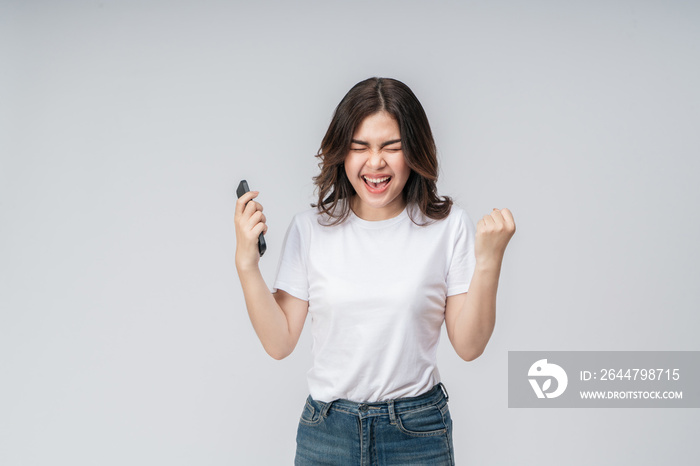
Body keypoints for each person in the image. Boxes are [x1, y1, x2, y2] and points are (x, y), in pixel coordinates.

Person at [234, 77, 515, 465]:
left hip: (416, 434)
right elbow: (279, 342)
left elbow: (469, 346)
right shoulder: (310, 229)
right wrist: (247, 266)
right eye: (359, 147)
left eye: (391, 147)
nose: (375, 162)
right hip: (327, 433)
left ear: (414, 151)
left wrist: (489, 262)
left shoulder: (448, 227)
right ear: (342, 154)